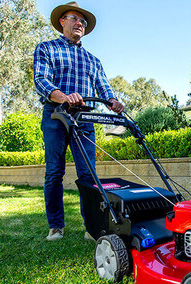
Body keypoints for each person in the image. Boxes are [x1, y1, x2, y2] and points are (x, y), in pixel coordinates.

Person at [33, 2, 124, 241]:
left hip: (84, 118)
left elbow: (103, 85)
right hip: (55, 115)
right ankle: (56, 226)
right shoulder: (46, 48)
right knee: (54, 171)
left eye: (82, 21)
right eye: (74, 18)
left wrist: (112, 100)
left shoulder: (92, 59)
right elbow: (41, 80)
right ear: (62, 22)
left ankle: (92, 227)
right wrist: (64, 98)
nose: (79, 23)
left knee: (88, 174)